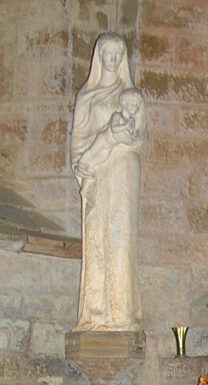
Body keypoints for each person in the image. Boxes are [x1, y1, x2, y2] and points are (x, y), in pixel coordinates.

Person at [70, 33, 147, 332]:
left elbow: (142, 138)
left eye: (118, 55)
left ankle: (123, 315)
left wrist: (126, 138)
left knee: (122, 239)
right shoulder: (87, 97)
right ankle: (98, 314)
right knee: (99, 237)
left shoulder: (133, 96)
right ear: (98, 58)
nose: (113, 60)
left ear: (123, 59)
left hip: (125, 174)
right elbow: (78, 146)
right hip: (100, 175)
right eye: (108, 55)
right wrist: (105, 141)